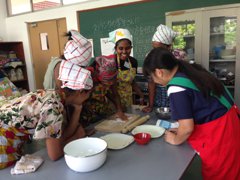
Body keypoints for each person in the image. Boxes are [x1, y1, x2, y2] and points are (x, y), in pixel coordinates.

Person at [0, 30, 93, 169]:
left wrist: (78, 110)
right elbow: (54, 155)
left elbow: (59, 136)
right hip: (3, 140)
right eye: (87, 94)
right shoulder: (53, 106)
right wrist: (77, 137)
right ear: (80, 91)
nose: (87, 98)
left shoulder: (57, 97)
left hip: (13, 136)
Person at [143, 47, 240, 179]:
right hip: (232, 126)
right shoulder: (191, 70)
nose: (153, 81)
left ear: (159, 72)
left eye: (151, 77)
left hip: (220, 138)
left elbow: (187, 128)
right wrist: (181, 126)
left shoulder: (176, 87)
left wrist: (175, 139)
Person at [142, 24, 186, 113]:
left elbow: (182, 81)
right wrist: (150, 105)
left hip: (176, 94)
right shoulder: (150, 56)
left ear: (169, 46)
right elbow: (151, 82)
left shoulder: (179, 56)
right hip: (158, 97)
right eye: (154, 47)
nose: (155, 51)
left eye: (159, 48)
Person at [80, 54, 127, 125]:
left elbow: (114, 94)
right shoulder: (87, 77)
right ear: (97, 73)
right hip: (85, 109)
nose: (109, 83)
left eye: (111, 81)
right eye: (105, 81)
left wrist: (119, 110)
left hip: (101, 108)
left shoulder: (111, 73)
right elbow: (78, 102)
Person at [108, 28, 144, 111]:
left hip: (128, 99)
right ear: (116, 48)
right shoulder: (110, 62)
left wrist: (141, 95)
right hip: (113, 101)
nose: (124, 51)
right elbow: (108, 88)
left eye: (127, 48)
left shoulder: (133, 62)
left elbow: (132, 81)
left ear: (131, 48)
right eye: (121, 48)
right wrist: (118, 106)